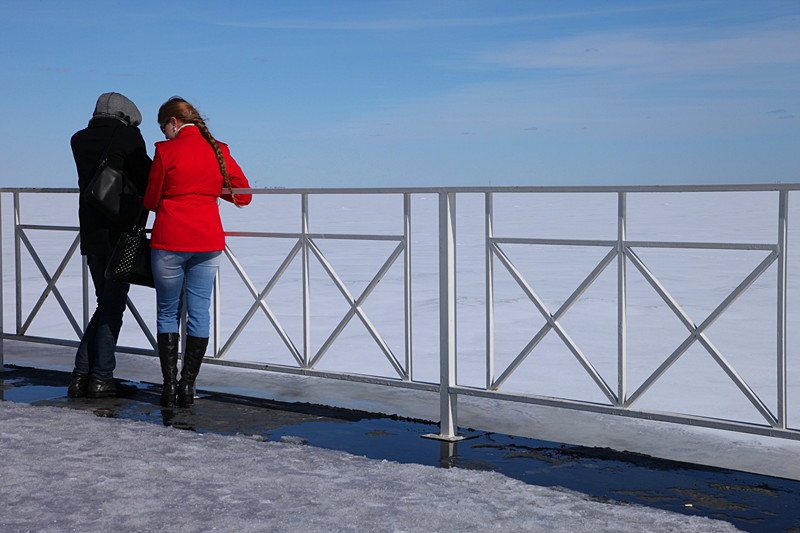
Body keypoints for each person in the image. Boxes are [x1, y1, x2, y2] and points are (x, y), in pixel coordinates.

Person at [144, 97, 251, 408]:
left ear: (174, 122)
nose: (163, 133)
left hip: (170, 239)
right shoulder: (219, 149)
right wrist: (208, 188)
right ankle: (188, 386)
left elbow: (151, 200)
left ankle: (168, 386)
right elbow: (243, 195)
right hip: (207, 241)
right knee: (199, 312)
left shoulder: (166, 151)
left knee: (167, 312)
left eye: (163, 126)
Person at [69, 92, 152, 398]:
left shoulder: (78, 139)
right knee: (112, 306)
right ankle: (101, 377)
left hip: (91, 232)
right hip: (120, 232)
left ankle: (81, 376)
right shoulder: (128, 138)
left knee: (105, 302)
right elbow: (148, 178)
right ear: (126, 115)